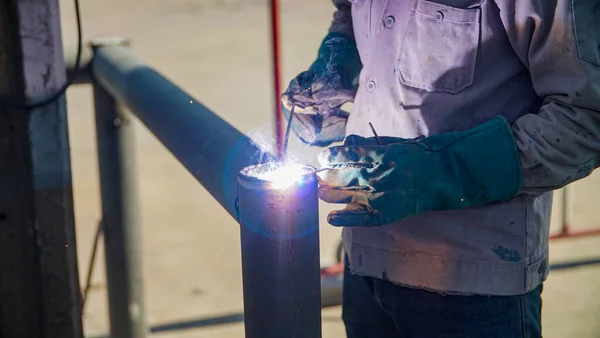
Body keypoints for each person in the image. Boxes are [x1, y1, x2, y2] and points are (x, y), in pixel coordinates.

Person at [281, 1, 600, 337]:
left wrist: (437, 172)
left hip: (472, 283)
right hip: (364, 260)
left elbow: (586, 118)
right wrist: (337, 60)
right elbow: (350, 11)